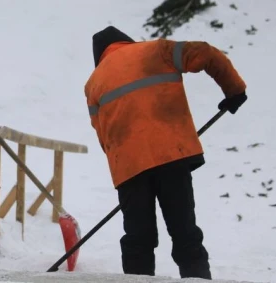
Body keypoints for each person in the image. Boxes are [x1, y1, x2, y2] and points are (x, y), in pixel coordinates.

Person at [84, 26, 247, 279]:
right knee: (185, 234)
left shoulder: (93, 83)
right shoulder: (157, 50)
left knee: (138, 241)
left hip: (129, 169)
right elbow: (205, 52)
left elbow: (102, 136)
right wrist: (234, 90)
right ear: (127, 42)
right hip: (172, 155)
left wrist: (127, 163)